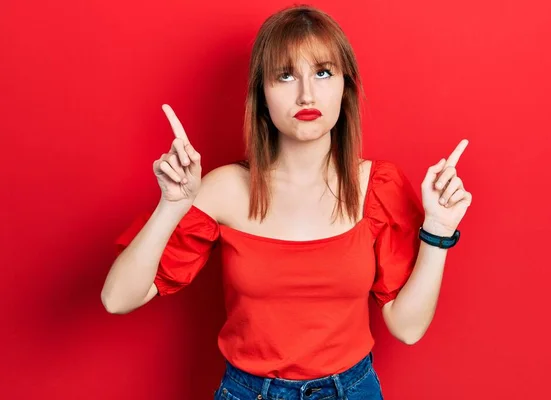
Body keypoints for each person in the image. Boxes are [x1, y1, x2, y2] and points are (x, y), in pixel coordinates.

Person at [101, 4, 472, 400]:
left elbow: (407, 327)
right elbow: (117, 299)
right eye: (285, 75)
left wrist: (437, 231)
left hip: (352, 390)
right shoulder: (224, 189)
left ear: (345, 86)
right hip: (248, 392)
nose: (306, 94)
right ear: (262, 92)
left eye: (323, 72)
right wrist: (171, 206)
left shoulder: (377, 187)